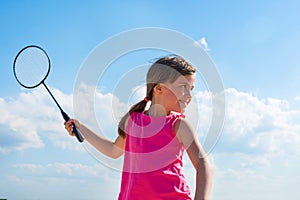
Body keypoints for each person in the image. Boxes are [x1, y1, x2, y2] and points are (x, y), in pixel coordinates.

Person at [65, 56, 213, 200]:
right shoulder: (133, 121)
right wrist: (81, 128)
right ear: (159, 88)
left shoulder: (178, 125)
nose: (189, 95)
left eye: (191, 88)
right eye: (183, 87)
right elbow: (113, 150)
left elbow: (203, 163)